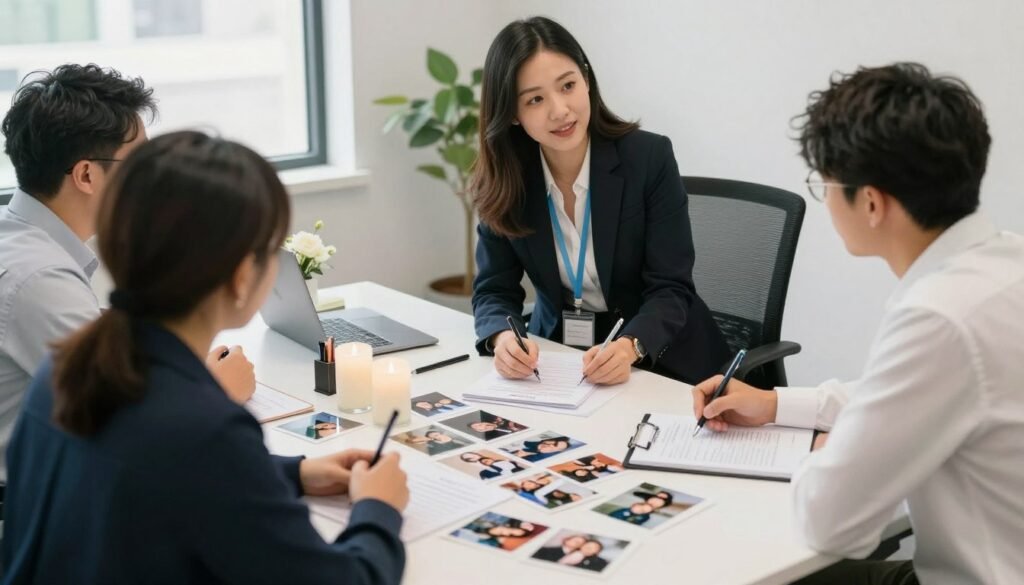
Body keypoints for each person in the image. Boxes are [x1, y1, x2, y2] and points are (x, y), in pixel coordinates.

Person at [1, 132, 410, 584]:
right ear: (240, 276)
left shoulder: (65, 365)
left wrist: (297, 472)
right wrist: (379, 509)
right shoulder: (205, 428)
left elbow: (150, 468)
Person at [691, 63, 1024, 585]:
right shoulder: (1005, 259)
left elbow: (831, 524)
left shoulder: (939, 316)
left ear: (871, 202)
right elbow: (901, 393)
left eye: (825, 183)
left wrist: (827, 450)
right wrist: (777, 405)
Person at [0, 64, 255, 485]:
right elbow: (128, 429)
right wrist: (214, 390)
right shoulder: (38, 278)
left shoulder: (23, 240)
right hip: (45, 504)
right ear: (86, 175)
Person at [470, 16, 729, 387]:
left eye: (568, 85)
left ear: (587, 81)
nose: (560, 110)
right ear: (512, 113)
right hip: (558, 362)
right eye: (536, 99)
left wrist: (629, 347)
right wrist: (503, 338)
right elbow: (493, 289)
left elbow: (671, 287)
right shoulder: (505, 180)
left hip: (664, 359)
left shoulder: (649, 158)